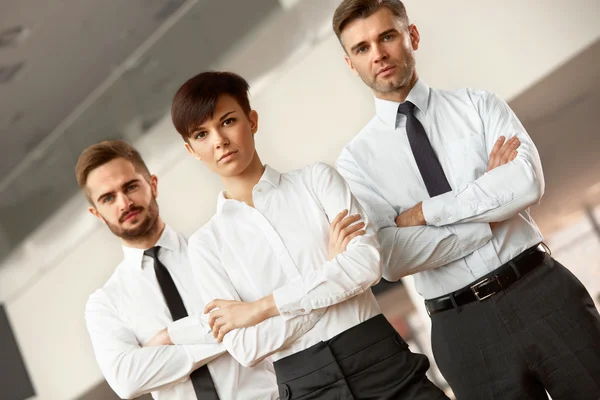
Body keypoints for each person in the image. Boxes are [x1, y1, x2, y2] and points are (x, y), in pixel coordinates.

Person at [332, 1, 600, 399]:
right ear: (351, 63)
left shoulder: (479, 105)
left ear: (413, 36)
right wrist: (491, 206)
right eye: (362, 47)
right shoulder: (355, 164)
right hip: (463, 330)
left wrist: (425, 214)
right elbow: (392, 257)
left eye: (387, 36)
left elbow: (525, 184)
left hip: (544, 292)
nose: (379, 54)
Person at [168, 71, 449, 400]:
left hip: (382, 363)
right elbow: (245, 346)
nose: (219, 140)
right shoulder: (206, 245)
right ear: (191, 150)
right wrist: (329, 279)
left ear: (252, 120)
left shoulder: (317, 181)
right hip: (305, 388)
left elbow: (367, 266)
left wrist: (262, 308)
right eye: (202, 134)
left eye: (228, 121)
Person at [80, 140, 290, 399]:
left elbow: (263, 316)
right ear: (97, 213)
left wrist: (169, 338)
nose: (124, 203)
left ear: (153, 185)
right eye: (108, 198)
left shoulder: (217, 246)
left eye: (131, 186)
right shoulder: (105, 303)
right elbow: (127, 380)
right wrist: (227, 334)